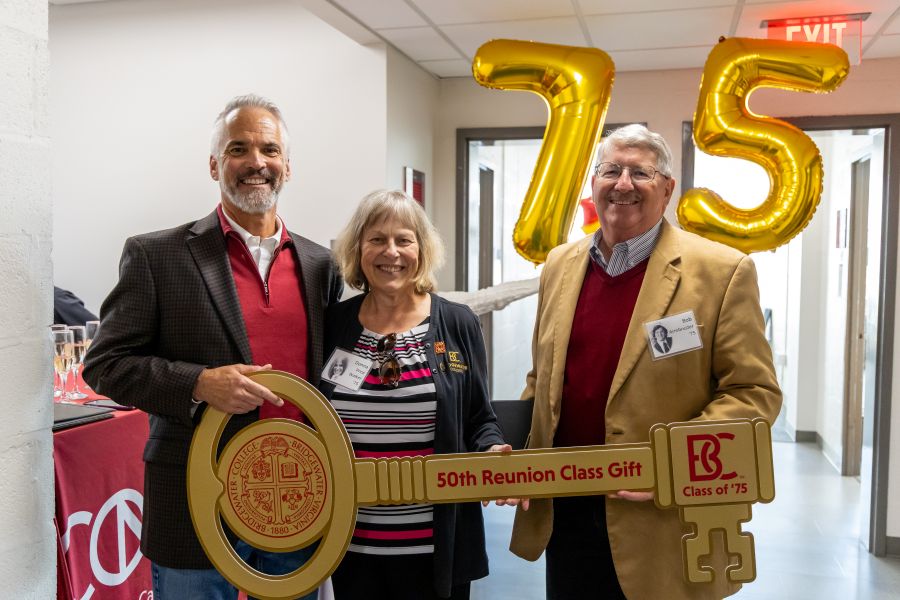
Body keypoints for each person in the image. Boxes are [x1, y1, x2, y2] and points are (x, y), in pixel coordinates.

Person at [83, 94, 342, 599]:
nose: (255, 163)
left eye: (269, 149)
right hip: (195, 495)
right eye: (237, 148)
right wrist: (198, 383)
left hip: (297, 495)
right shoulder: (156, 255)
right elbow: (105, 365)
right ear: (214, 164)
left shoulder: (320, 264)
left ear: (287, 165)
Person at [509, 124, 782, 600]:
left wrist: (670, 466)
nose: (623, 184)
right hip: (567, 508)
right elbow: (543, 378)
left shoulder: (723, 271)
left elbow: (753, 394)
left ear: (668, 189)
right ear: (594, 183)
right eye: (611, 170)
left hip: (664, 516)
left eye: (641, 172)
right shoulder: (559, 264)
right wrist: (513, 453)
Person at [320, 190, 508, 600]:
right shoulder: (333, 324)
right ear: (358, 249)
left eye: (404, 239)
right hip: (349, 546)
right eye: (377, 239)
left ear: (421, 250)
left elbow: (480, 418)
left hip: (437, 546)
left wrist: (492, 452)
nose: (392, 252)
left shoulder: (457, 323)